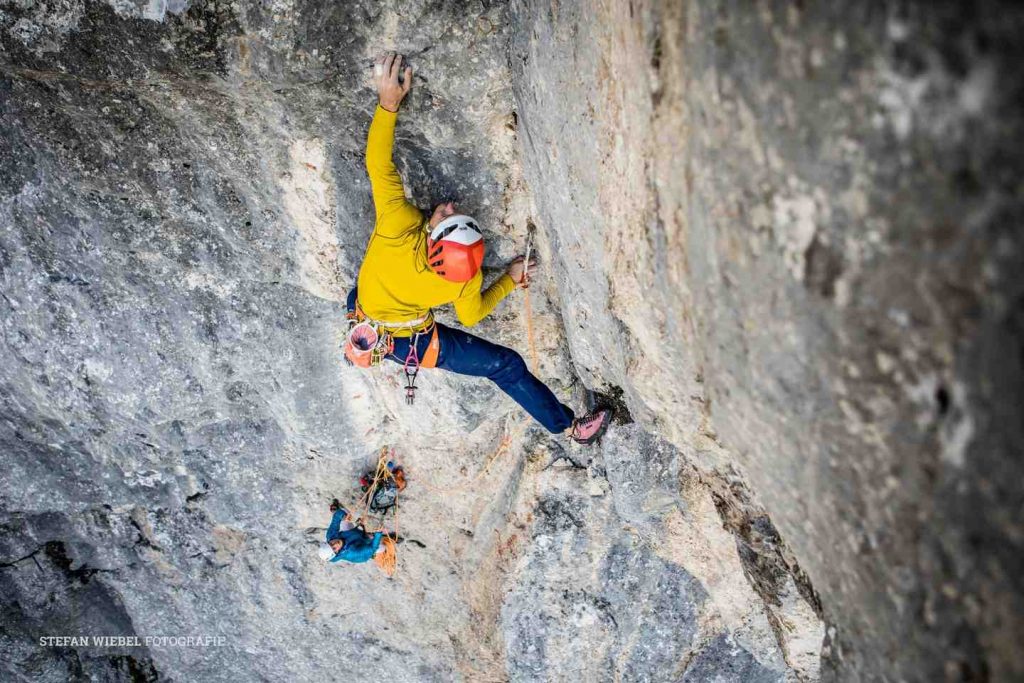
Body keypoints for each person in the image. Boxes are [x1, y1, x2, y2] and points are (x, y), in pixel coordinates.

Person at [350, 51, 612, 445]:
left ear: (432, 239)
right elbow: (470, 317)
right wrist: (508, 280)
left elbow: (378, 162)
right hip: (399, 330)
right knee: (504, 364)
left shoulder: (396, 225)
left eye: (446, 219)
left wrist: (388, 103)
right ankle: (566, 426)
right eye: (450, 216)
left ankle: (568, 427)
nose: (450, 207)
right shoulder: (462, 281)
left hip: (383, 323)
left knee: (502, 363)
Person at [318, 499, 389, 564]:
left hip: (351, 532)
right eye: (334, 548)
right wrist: (378, 533)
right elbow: (372, 548)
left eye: (331, 543)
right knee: (382, 548)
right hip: (365, 543)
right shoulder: (353, 553)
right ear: (337, 552)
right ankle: (381, 540)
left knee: (344, 512)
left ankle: (337, 510)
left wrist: (343, 516)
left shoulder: (331, 536)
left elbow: (336, 518)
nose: (335, 543)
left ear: (328, 541)